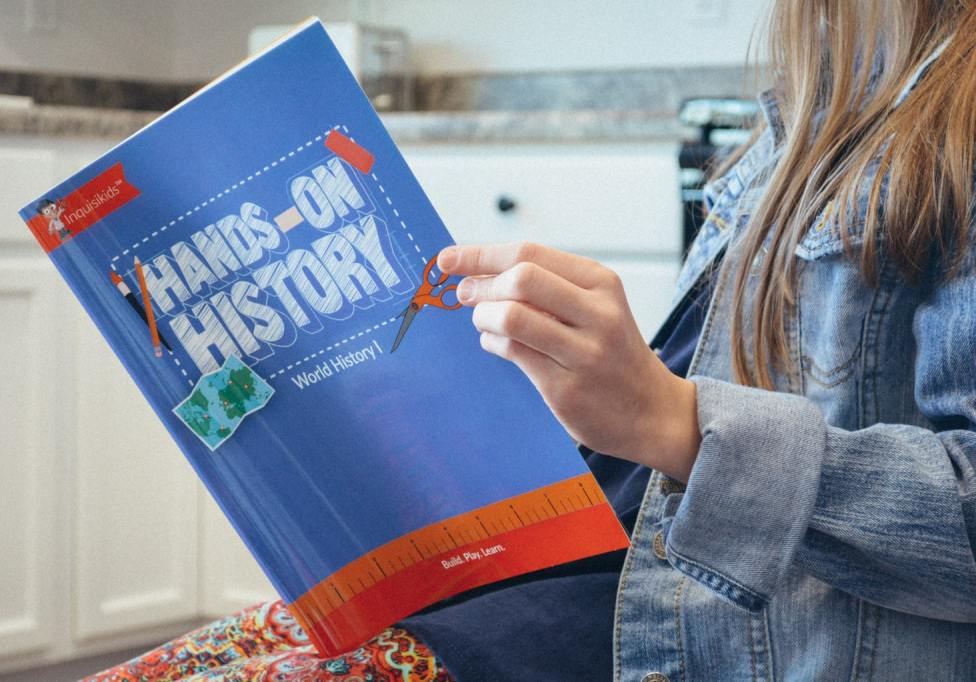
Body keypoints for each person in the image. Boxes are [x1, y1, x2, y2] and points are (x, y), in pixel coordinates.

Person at [88, 0, 976, 679]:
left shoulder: (950, 123)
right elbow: (646, 446)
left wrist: (679, 423)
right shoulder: (798, 120)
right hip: (575, 576)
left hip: (685, 628)